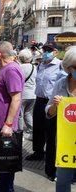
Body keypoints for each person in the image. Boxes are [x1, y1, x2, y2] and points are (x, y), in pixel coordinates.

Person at [0, 41, 24, 192]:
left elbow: (16, 98)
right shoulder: (7, 69)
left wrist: (8, 124)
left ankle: (6, 188)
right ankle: (3, 182)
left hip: (4, 123)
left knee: (6, 158)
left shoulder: (11, 70)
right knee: (1, 155)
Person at [26, 42, 66, 181]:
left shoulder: (60, 65)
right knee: (37, 128)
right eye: (44, 50)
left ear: (55, 51)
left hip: (53, 102)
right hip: (40, 99)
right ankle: (38, 152)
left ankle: (51, 158)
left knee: (50, 132)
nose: (45, 52)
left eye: (48, 50)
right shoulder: (41, 64)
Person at [46, 46, 76, 192]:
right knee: (63, 180)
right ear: (69, 67)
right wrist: (55, 106)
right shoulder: (61, 83)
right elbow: (48, 111)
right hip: (66, 143)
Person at [17, 49, 37, 140]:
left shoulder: (19, 67)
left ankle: (20, 134)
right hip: (33, 94)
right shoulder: (34, 67)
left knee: (20, 115)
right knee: (28, 113)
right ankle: (32, 131)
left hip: (23, 94)